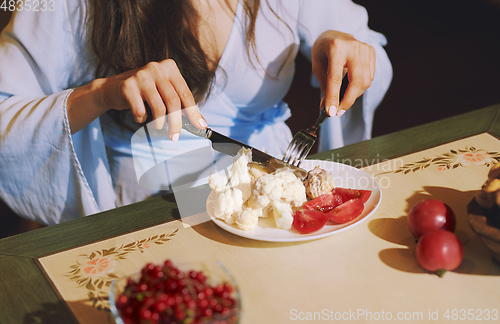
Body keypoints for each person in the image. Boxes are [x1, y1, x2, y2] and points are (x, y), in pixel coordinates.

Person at [0, 0, 392, 225]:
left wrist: (340, 44)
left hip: (271, 204)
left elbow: (365, 45)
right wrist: (102, 93)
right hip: (146, 210)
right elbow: (6, 117)